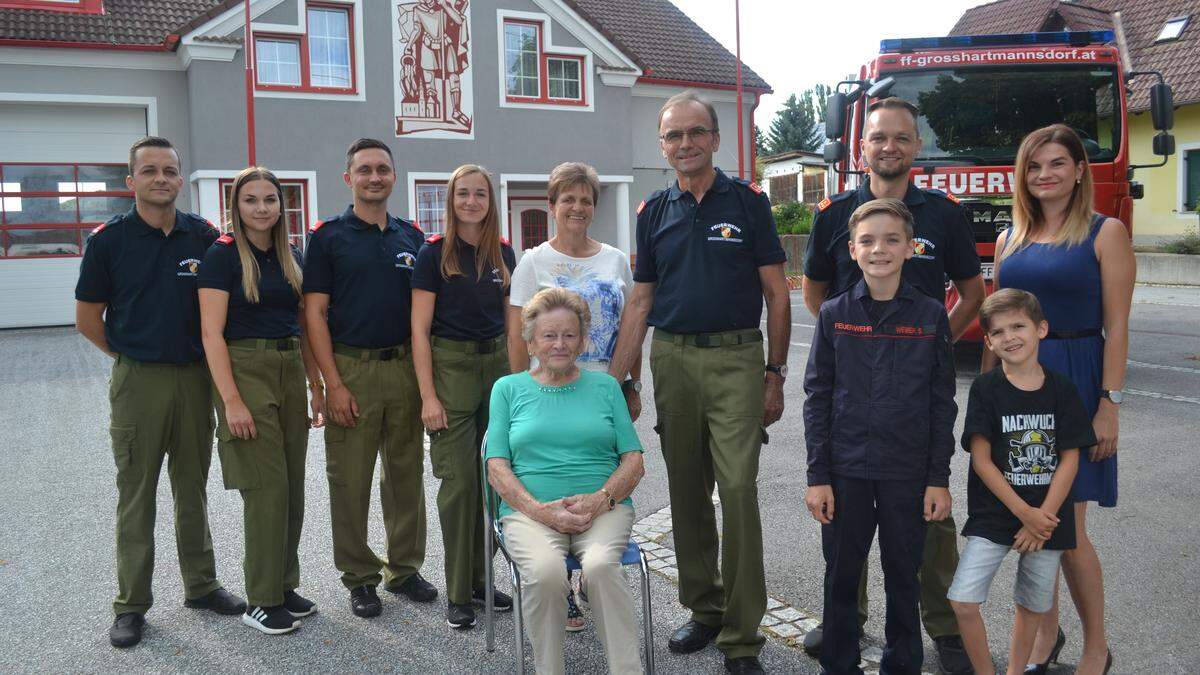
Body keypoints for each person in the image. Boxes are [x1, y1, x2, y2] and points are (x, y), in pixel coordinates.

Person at [608, 90, 790, 675]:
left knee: (737, 491)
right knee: (687, 491)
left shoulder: (749, 203)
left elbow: (776, 293)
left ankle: (742, 637)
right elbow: (640, 301)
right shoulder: (652, 213)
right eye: (672, 136)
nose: (684, 143)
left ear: (715, 140)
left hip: (737, 357)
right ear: (663, 147)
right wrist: (617, 380)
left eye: (694, 133)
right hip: (674, 358)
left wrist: (775, 373)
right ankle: (704, 608)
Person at [800, 96, 984, 674]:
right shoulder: (833, 214)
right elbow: (816, 293)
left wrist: (930, 343)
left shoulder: (944, 214)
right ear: (863, 147)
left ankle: (944, 628)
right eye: (879, 137)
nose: (889, 147)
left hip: (911, 421)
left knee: (923, 546)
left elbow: (972, 291)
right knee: (844, 556)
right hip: (853, 414)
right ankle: (843, 630)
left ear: (916, 147)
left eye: (901, 137)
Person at [75, 136, 246, 648]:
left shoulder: (204, 237)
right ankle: (131, 605)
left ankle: (201, 584)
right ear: (131, 182)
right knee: (137, 494)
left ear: (179, 177)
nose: (161, 179)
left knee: (191, 486)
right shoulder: (108, 242)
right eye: (149, 171)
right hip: (139, 381)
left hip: (195, 379)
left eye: (170, 171)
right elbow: (88, 320)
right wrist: (130, 356)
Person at [989, 124, 1133, 675]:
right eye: (1033, 166)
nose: (1044, 174)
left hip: (1075, 386)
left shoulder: (1106, 232)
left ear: (1079, 171)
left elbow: (1117, 329)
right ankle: (1046, 637)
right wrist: (987, 401)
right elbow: (999, 326)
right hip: (1018, 390)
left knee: (1067, 530)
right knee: (1029, 527)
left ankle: (1097, 646)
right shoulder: (1008, 240)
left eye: (1056, 164)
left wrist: (1109, 404)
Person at [803, 198, 957, 675]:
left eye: (892, 240)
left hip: (907, 474)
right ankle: (840, 664)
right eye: (868, 241)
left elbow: (941, 404)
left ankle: (902, 663)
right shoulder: (834, 314)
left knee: (903, 578)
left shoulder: (931, 316)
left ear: (911, 248)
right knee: (842, 577)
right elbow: (817, 398)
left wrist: (938, 479)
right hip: (846, 471)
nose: (879, 249)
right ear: (852, 250)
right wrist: (818, 477)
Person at [302, 138, 436, 618]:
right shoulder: (327, 237)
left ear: (394, 176)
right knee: (350, 479)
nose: (374, 176)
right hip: (351, 368)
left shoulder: (411, 237)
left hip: (402, 366)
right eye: (365, 170)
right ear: (349, 178)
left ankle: (405, 569)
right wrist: (330, 385)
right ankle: (360, 577)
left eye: (383, 168)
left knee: (405, 476)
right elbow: (313, 314)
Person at [507, 161, 641, 632]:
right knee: (551, 475)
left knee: (597, 479)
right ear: (552, 205)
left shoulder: (615, 260)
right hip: (545, 390)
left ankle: (585, 570)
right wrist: (518, 397)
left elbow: (631, 328)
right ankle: (561, 585)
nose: (578, 207)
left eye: (586, 200)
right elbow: (516, 335)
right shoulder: (534, 261)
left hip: (601, 393)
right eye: (569, 199)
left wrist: (632, 384)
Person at [486, 287, 646, 675]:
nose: (560, 344)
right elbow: (496, 466)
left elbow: (634, 461)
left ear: (583, 339)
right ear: (530, 340)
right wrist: (540, 510)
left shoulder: (607, 387)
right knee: (544, 572)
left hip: (603, 508)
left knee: (602, 566)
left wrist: (599, 500)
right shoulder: (507, 390)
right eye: (549, 335)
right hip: (530, 512)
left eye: (569, 335)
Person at [197, 167, 325, 634]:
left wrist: (316, 386)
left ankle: (284, 587)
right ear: (237, 206)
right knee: (265, 488)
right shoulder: (222, 256)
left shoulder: (291, 255)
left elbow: (304, 326)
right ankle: (262, 598)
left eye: (270, 199)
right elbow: (210, 334)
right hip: (245, 369)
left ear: (281, 205)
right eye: (251, 200)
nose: (262, 208)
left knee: (291, 485)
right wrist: (231, 402)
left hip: (289, 367)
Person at [949, 289, 1094, 675]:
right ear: (990, 342)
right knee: (963, 602)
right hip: (997, 512)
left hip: (1048, 520)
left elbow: (1070, 458)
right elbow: (981, 461)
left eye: (1018, 326)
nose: (1010, 336)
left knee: (1032, 605)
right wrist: (1023, 512)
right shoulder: (985, 389)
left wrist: (1042, 515)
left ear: (1041, 329)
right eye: (998, 332)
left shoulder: (1062, 389)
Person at [411, 164, 517, 630]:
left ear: (490, 201)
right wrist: (428, 396)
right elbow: (418, 330)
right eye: (463, 194)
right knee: (458, 485)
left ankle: (480, 578)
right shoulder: (433, 255)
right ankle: (457, 592)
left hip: (497, 367)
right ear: (451, 200)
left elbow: (515, 324)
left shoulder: (505, 253)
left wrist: (519, 385)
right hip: (451, 369)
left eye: (480, 194)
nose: (471, 201)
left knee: (494, 481)